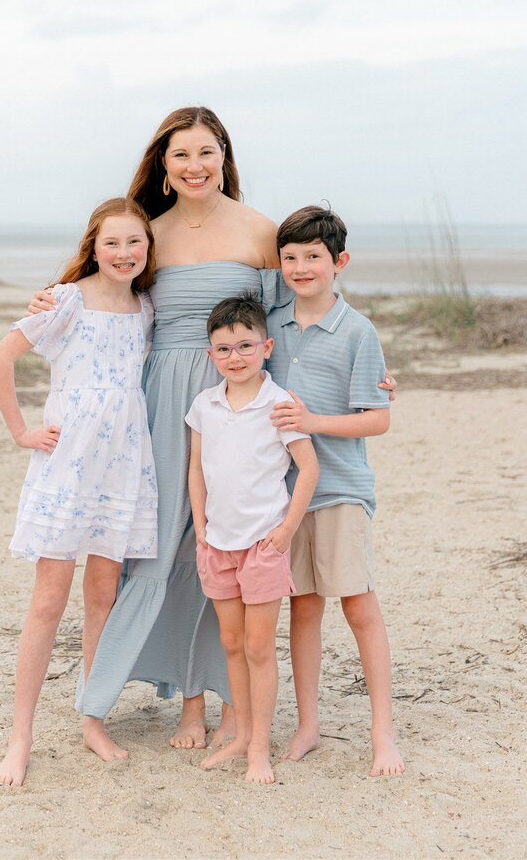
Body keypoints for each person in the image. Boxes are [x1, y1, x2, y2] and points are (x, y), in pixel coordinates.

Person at [27, 107, 396, 752]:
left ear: (223, 156)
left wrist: (366, 380)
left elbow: (290, 318)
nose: (194, 166)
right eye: (180, 155)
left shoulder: (258, 231)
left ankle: (233, 710)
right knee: (168, 548)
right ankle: (185, 701)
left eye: (205, 152)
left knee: (234, 534)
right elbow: (108, 290)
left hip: (241, 400)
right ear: (163, 167)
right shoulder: (150, 233)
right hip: (162, 401)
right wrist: (49, 298)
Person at [0, 197, 158, 784]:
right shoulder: (66, 300)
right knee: (48, 601)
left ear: (147, 249)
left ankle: (92, 717)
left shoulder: (146, 309)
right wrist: (21, 432)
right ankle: (21, 736)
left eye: (135, 242)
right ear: (94, 243)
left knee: (102, 594)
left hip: (124, 467)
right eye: (113, 242)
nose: (125, 253)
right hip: (68, 466)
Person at [267, 205, 405, 777]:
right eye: (291, 258)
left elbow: (377, 418)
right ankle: (307, 726)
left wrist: (313, 422)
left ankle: (383, 731)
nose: (301, 267)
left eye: (314, 257)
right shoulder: (270, 325)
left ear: (338, 262)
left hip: (341, 488)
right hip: (284, 493)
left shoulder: (357, 330)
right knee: (302, 608)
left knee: (358, 605)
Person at [187, 294, 319, 784]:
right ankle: (240, 735)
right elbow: (196, 469)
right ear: (210, 355)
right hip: (216, 544)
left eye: (245, 346)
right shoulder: (205, 405)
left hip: (263, 546)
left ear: (266, 347)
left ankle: (260, 747)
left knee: (261, 647)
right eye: (224, 349)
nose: (235, 357)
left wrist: (285, 531)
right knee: (231, 642)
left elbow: (308, 469)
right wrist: (201, 526)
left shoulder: (279, 403)